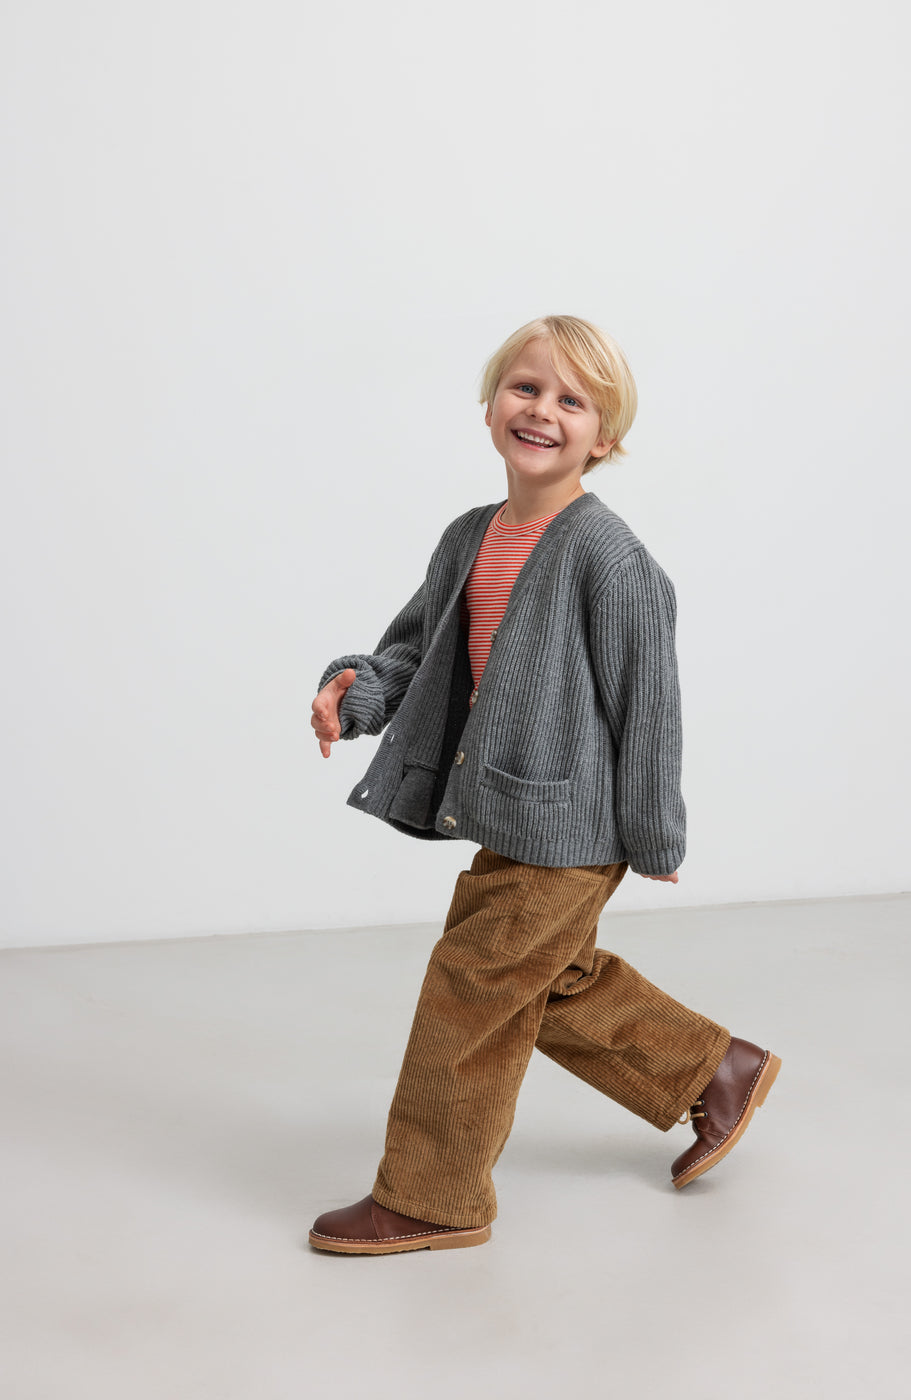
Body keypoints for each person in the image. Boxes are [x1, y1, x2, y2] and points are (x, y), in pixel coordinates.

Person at [307, 315, 781, 1255]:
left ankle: (434, 1195)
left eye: (573, 401)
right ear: (491, 405)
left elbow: (650, 705)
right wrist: (355, 693)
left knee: (471, 986)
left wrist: (654, 832)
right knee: (542, 977)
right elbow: (417, 650)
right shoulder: (470, 537)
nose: (543, 411)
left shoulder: (609, 556)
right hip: (507, 807)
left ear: (604, 438)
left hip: (573, 825)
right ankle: (713, 1069)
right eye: (526, 388)